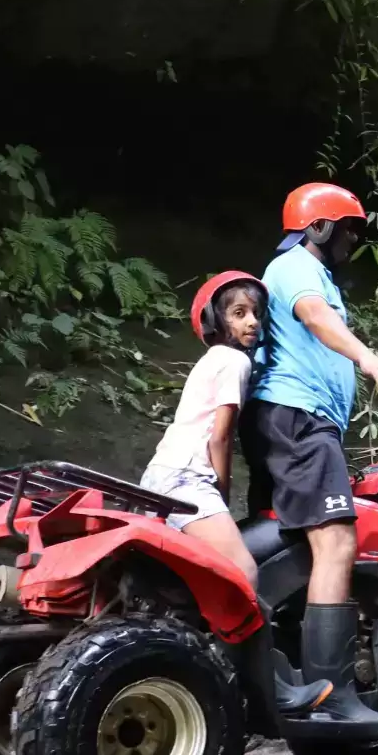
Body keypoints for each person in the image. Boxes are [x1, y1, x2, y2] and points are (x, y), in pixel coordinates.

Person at [241, 182, 378, 726]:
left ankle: (286, 681)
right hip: (299, 419)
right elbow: (316, 317)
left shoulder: (310, 271)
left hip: (294, 421)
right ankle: (332, 696)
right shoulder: (295, 266)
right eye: (347, 229)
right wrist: (369, 358)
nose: (351, 240)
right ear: (318, 227)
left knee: (294, 539)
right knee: (337, 540)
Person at [143, 271, 331, 714]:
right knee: (243, 574)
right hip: (189, 479)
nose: (252, 324)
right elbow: (220, 436)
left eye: (257, 315)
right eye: (239, 313)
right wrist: (221, 490)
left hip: (160, 476)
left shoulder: (209, 362)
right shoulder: (234, 362)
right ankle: (268, 689)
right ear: (216, 320)